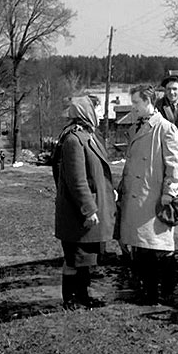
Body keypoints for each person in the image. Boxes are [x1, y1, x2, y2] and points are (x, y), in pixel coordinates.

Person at [119, 84, 178, 305]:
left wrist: (169, 192)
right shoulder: (136, 127)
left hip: (153, 196)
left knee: (159, 248)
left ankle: (163, 291)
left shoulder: (165, 128)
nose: (134, 107)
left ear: (148, 102)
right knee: (142, 247)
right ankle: (148, 291)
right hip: (136, 195)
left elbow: (175, 165)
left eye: (136, 103)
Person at [53, 97, 117, 309]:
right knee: (74, 258)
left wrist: (109, 193)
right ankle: (70, 299)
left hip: (85, 210)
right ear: (86, 111)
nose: (100, 114)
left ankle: (82, 296)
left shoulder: (87, 136)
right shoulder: (73, 140)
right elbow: (77, 180)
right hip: (77, 213)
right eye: (97, 110)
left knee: (86, 258)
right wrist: (88, 209)